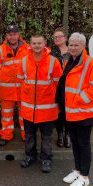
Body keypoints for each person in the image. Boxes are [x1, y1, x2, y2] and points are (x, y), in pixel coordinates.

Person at [56, 33, 93, 186]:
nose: (72, 47)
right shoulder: (69, 61)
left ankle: (85, 177)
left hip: (84, 113)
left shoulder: (91, 63)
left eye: (76, 45)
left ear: (83, 46)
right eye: (70, 44)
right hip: (71, 113)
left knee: (83, 145)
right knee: (76, 144)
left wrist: (78, 99)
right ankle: (77, 171)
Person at [17, 35, 62, 173]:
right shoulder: (23, 61)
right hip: (28, 109)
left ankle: (46, 159)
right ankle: (30, 156)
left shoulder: (53, 62)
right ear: (30, 44)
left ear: (44, 44)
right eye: (34, 43)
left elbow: (58, 85)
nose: (37, 45)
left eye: (39, 43)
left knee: (46, 136)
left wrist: (57, 105)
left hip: (47, 109)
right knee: (29, 135)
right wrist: (21, 103)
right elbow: (19, 84)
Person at [0, 25, 29, 146]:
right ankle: (6, 135)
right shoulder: (1, 50)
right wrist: (6, 75)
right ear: (6, 36)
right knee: (6, 115)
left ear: (18, 35)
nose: (12, 37)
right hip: (6, 90)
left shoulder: (27, 49)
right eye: (10, 34)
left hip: (23, 89)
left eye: (14, 34)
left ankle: (26, 135)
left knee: (24, 115)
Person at [51, 27, 71, 148]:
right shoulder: (52, 53)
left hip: (71, 86)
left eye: (60, 36)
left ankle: (67, 135)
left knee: (68, 112)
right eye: (55, 37)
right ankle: (59, 134)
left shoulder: (73, 51)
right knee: (58, 111)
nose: (57, 38)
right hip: (57, 86)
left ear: (65, 38)